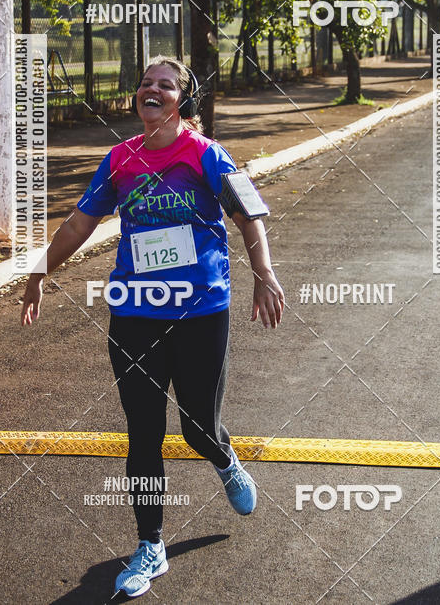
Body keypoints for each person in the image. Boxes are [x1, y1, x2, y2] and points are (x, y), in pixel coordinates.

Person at [20, 55, 285, 599]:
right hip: (135, 315)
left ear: (180, 100)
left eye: (165, 85)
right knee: (143, 434)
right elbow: (78, 222)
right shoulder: (121, 159)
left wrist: (265, 275)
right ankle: (151, 545)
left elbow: (248, 215)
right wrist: (38, 273)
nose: (153, 90)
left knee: (197, 428)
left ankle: (225, 458)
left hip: (200, 313)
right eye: (145, 83)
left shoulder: (206, 155)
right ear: (136, 97)